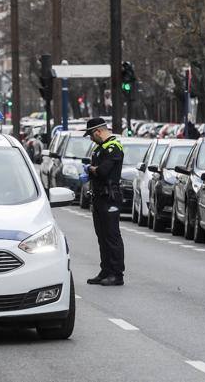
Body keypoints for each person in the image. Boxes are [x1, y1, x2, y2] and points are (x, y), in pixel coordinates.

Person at [84, 118, 126, 286]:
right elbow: (93, 169)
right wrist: (92, 170)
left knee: (112, 236)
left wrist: (92, 169)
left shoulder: (114, 147)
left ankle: (117, 274)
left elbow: (102, 171)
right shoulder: (100, 149)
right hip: (99, 197)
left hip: (110, 197)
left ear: (98, 132)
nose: (90, 138)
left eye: (91, 135)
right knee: (102, 236)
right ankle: (106, 270)